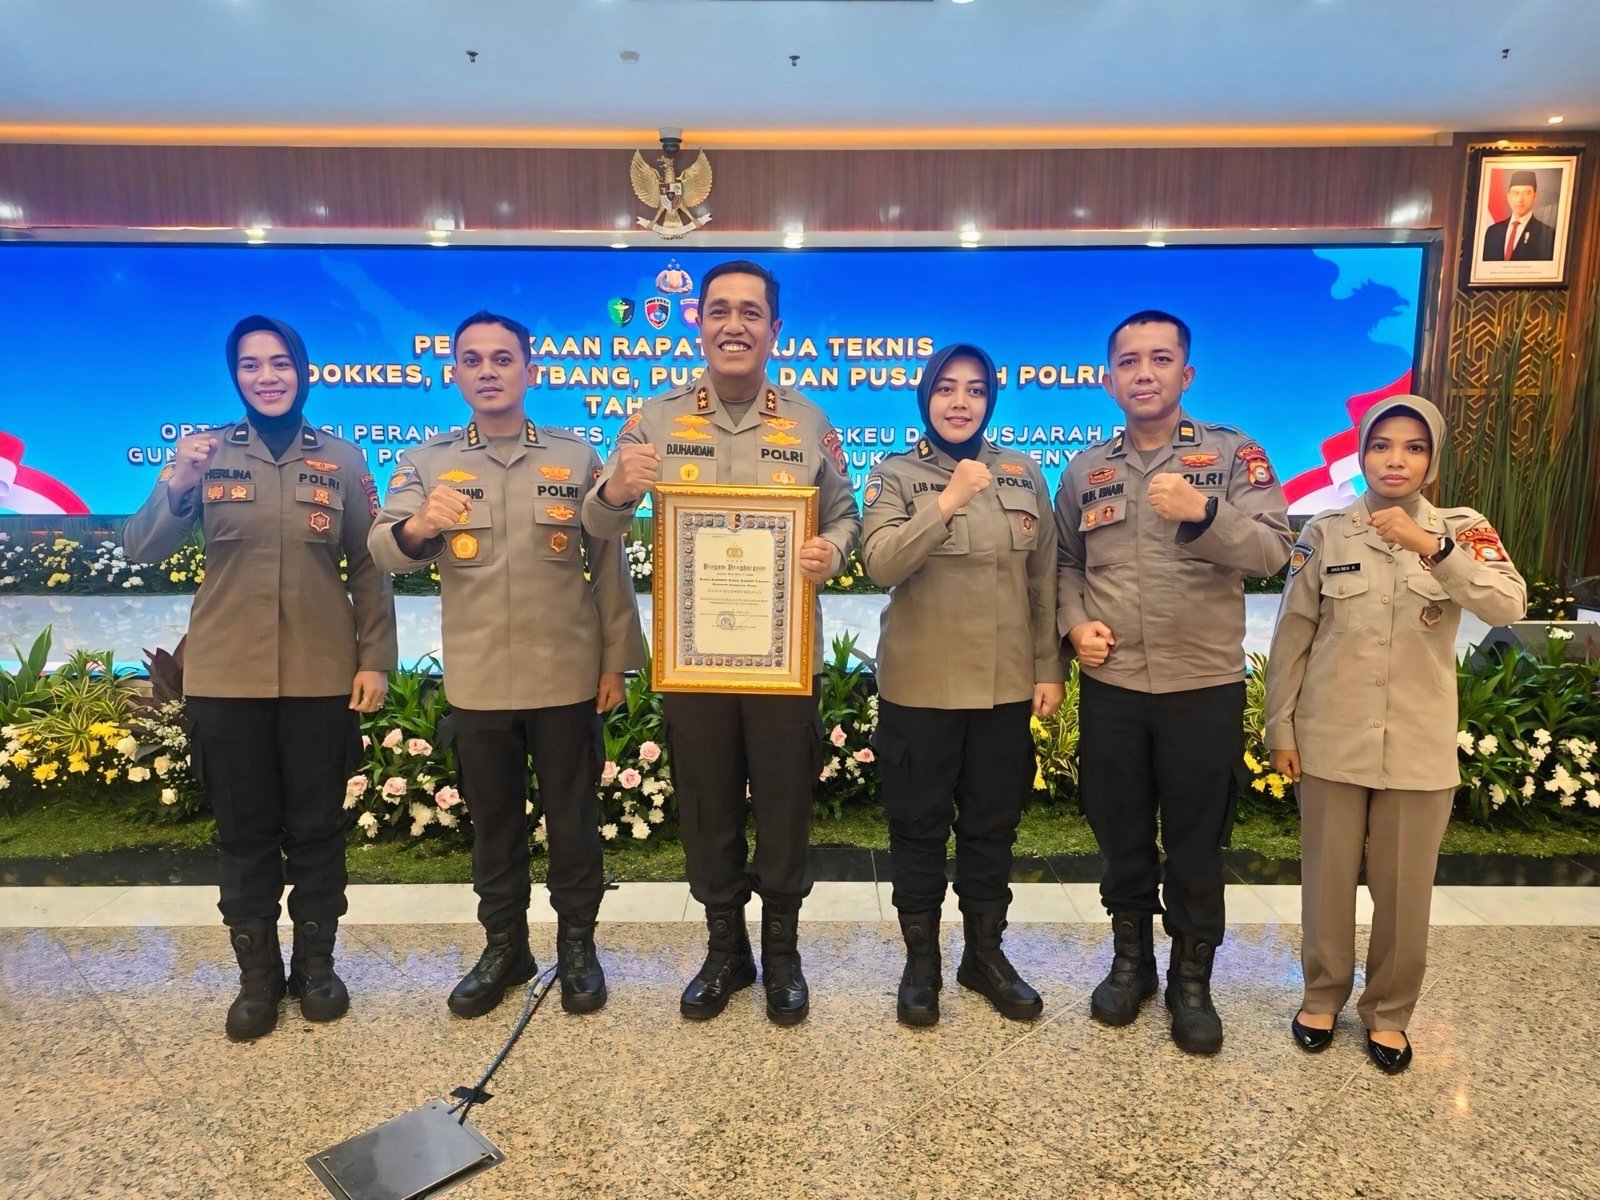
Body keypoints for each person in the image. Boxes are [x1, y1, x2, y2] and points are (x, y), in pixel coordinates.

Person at [582, 260, 860, 1025]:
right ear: (698, 323)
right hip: (694, 662)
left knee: (784, 806)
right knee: (706, 807)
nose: (734, 325)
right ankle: (725, 950)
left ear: (775, 329)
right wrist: (616, 489)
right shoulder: (654, 420)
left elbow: (846, 515)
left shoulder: (809, 422)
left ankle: (783, 954)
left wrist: (832, 551)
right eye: (720, 311)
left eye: (750, 312)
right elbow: (596, 524)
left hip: (782, 661)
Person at [123, 315, 396, 1042]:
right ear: (235, 375)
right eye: (251, 364)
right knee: (243, 834)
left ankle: (316, 969)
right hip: (226, 681)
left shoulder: (341, 459)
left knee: (317, 830)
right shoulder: (205, 455)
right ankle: (257, 977)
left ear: (302, 371)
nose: (267, 376)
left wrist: (374, 659)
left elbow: (369, 568)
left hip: (319, 677)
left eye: (280, 362)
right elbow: (141, 548)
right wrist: (177, 482)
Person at [369, 311, 644, 1018]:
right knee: (494, 825)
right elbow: (384, 549)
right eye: (472, 360)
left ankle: (577, 947)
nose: (487, 371)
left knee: (574, 822)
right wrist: (420, 525)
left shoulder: (574, 457)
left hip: (566, 676)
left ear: (530, 370)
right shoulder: (425, 463)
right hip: (480, 680)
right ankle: (505, 947)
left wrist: (616, 661)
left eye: (502, 358)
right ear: (454, 373)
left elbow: (608, 566)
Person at [1054, 310, 1292, 1055]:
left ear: (1186, 374)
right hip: (1116, 685)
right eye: (1129, 361)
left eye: (1160, 359)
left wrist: (1204, 513)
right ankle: (1131, 963)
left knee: (1196, 842)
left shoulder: (1233, 456)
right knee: (1121, 833)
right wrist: (1074, 625)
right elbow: (1063, 564)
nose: (1144, 373)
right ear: (1108, 380)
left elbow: (1274, 550)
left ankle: (1193, 980)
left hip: (1201, 685)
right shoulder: (1084, 470)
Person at [1265, 394, 1526, 1074]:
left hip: (1417, 742)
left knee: (1406, 890)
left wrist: (1432, 548)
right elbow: (1293, 635)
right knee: (1326, 880)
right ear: (1362, 454)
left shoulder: (1462, 529)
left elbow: (1507, 603)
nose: (1395, 459)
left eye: (1414, 447)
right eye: (1381, 445)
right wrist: (1280, 726)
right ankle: (1321, 996)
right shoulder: (1326, 532)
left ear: (1431, 460)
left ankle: (1388, 1012)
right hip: (1332, 736)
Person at [860, 344, 1064, 1026]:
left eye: (975, 390)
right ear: (926, 397)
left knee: (991, 827)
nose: (960, 402)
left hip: (1003, 688)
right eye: (946, 388)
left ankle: (984, 955)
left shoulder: (1024, 472)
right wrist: (947, 501)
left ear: (990, 400)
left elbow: (1043, 580)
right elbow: (881, 564)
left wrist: (1047, 666)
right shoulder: (893, 475)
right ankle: (921, 962)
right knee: (917, 828)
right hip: (921, 688)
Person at [1481, 170, 1557, 262]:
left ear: (1535, 197)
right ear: (1508, 197)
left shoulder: (1546, 234)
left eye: (1527, 193)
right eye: (1516, 193)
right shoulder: (1493, 232)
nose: (1520, 199)